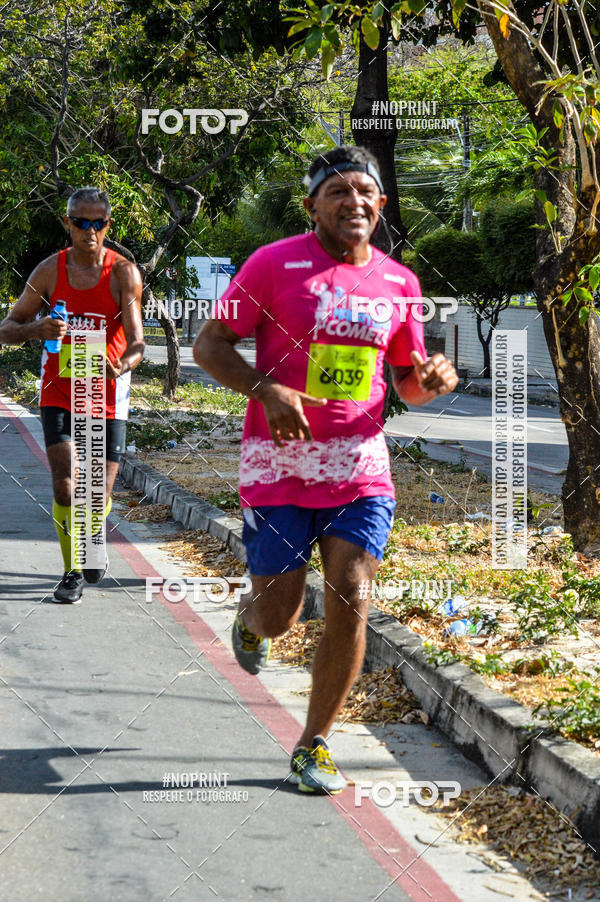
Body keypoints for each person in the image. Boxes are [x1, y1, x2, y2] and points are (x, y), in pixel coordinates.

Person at [193, 146, 458, 794]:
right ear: (311, 204)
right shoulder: (272, 265)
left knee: (352, 593)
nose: (354, 202)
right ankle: (251, 620)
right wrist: (266, 390)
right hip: (277, 467)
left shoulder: (399, 282)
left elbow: (406, 381)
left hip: (359, 469)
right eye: (337, 192)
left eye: (364, 192)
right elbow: (208, 345)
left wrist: (432, 382)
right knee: (281, 612)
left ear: (381, 204)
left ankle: (313, 745)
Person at [0, 187, 145, 603]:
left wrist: (122, 365)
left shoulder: (124, 274)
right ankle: (71, 572)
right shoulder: (49, 271)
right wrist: (34, 330)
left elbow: (136, 342)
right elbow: (7, 328)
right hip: (59, 392)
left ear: (108, 226)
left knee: (96, 494)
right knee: (67, 486)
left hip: (107, 393)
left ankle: (93, 528)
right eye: (81, 222)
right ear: (67, 224)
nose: (90, 230)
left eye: (98, 223)